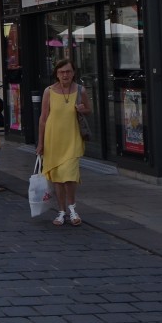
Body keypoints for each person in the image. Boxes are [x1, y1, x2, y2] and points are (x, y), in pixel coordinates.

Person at [36, 58, 91, 226]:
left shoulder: (80, 90)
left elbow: (89, 110)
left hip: (72, 139)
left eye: (68, 71)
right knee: (58, 178)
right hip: (53, 140)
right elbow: (43, 118)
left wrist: (83, 109)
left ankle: (72, 209)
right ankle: (61, 212)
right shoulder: (49, 91)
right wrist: (40, 143)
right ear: (57, 74)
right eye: (61, 72)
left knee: (70, 175)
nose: (65, 75)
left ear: (73, 73)